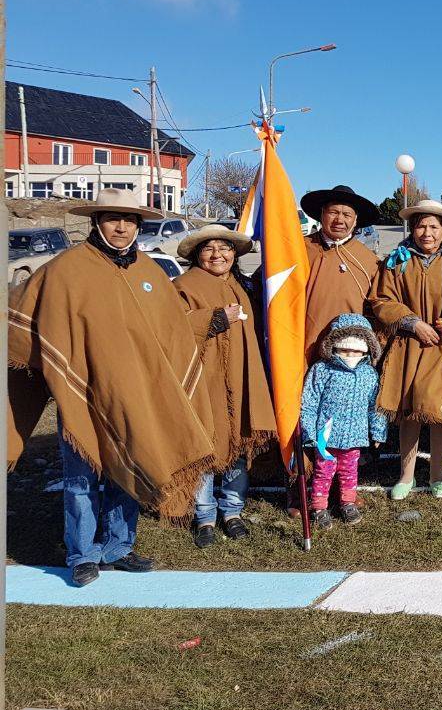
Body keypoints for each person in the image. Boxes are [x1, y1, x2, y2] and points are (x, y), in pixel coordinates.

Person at [7, 190, 216, 586]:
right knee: (81, 475)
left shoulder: (150, 272)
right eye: (112, 218)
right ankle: (82, 554)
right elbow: (21, 316)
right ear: (96, 221)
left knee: (129, 464)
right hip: (82, 390)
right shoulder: (65, 269)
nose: (121, 227)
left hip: (137, 392)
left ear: (139, 225)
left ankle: (119, 547)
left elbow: (171, 329)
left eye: (130, 220)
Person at [174, 225, 277, 548]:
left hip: (243, 375)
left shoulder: (244, 286)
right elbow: (171, 327)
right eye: (209, 249)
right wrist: (216, 318)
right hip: (204, 378)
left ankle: (233, 510)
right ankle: (204, 515)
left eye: (225, 248)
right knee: (207, 442)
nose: (218, 255)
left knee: (238, 442)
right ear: (196, 254)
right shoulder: (183, 286)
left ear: (235, 254)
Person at [371, 199, 442, 500]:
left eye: (434, 226)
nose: (426, 232)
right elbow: (381, 300)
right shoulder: (398, 261)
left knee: (436, 409)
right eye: (421, 225)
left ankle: (436, 473)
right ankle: (405, 475)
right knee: (410, 412)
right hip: (411, 343)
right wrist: (412, 323)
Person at [300, 313, 387, 528]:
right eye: (345, 350)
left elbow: (374, 407)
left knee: (350, 471)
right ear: (334, 347)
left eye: (356, 351)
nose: (350, 355)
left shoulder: (369, 374)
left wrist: (377, 431)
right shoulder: (322, 370)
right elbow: (309, 402)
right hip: (325, 436)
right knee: (323, 471)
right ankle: (319, 506)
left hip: (355, 435)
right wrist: (309, 433)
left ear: (366, 350)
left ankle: (347, 502)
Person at [299, 184, 381, 362]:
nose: (339, 220)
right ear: (322, 214)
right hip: (300, 345)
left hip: (349, 353)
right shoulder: (298, 249)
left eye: (347, 215)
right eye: (333, 212)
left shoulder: (369, 261)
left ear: (355, 220)